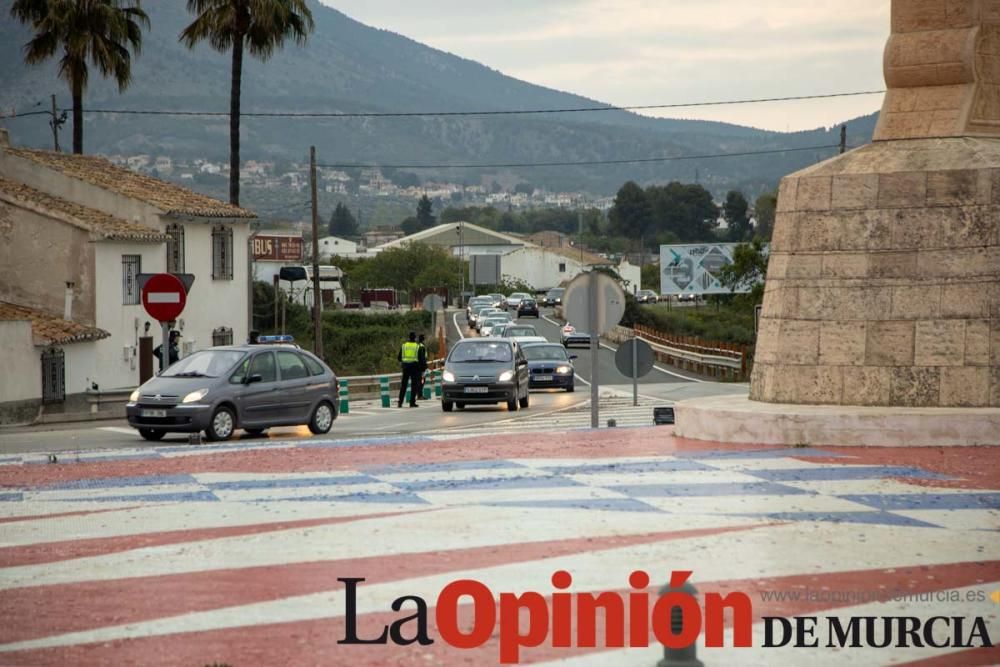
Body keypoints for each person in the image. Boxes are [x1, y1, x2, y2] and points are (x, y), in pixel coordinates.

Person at [397, 331, 425, 408]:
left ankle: (400, 402)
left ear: (409, 337)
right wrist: (423, 369)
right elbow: (421, 359)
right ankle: (412, 402)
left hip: (405, 367)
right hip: (414, 368)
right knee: (414, 385)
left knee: (403, 385)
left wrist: (405, 361)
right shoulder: (417, 346)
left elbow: (399, 358)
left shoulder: (404, 346)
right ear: (415, 338)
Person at [416, 334, 429, 401]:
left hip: (417, 366)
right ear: (423, 339)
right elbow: (422, 358)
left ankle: (419, 394)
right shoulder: (421, 346)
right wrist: (425, 367)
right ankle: (420, 395)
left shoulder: (418, 345)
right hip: (421, 367)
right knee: (422, 381)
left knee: (420, 380)